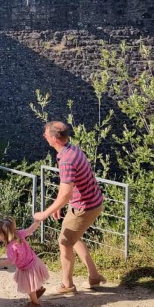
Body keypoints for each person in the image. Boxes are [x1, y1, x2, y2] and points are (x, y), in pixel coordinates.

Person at [33, 120, 105, 294]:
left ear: (55, 139)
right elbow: (66, 186)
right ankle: (94, 277)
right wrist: (59, 205)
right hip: (91, 202)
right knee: (73, 237)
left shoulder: (66, 159)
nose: (44, 137)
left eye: (46, 135)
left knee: (64, 242)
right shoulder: (72, 149)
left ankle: (67, 285)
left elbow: (66, 193)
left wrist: (45, 213)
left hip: (84, 207)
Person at [0, 217, 50, 307]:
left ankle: (35, 303)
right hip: (34, 262)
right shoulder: (19, 234)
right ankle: (38, 289)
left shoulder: (11, 247)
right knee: (34, 281)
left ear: (2, 234)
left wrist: (1, 263)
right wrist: (37, 222)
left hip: (26, 268)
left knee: (29, 287)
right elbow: (30, 229)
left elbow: (11, 261)